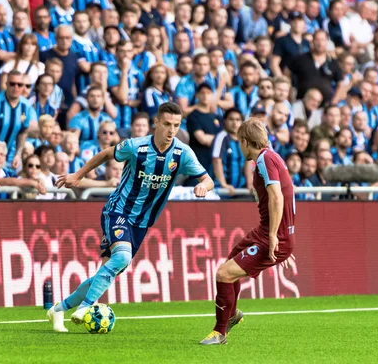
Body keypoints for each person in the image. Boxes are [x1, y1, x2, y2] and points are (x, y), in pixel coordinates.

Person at [50, 102, 214, 331]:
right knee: (122, 257)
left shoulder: (182, 152)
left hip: (142, 223)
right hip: (118, 210)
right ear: (155, 123)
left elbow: (208, 179)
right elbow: (107, 153)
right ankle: (86, 307)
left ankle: (58, 309)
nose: (171, 130)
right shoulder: (137, 146)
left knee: (107, 271)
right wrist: (79, 174)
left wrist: (204, 187)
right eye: (166, 124)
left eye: (176, 125)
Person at [201, 118, 295, 345]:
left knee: (224, 274)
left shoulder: (264, 159)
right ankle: (231, 314)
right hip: (265, 232)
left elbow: (277, 196)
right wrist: (283, 234)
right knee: (228, 266)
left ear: (244, 142)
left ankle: (220, 332)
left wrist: (276, 237)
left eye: (239, 142)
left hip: (269, 235)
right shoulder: (273, 158)